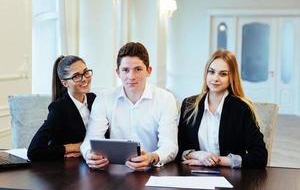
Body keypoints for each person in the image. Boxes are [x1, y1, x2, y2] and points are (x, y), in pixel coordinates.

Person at [80, 42, 178, 171]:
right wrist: (89, 155)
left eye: (138, 69)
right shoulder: (104, 98)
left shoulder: (166, 99)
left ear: (149, 71)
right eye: (125, 70)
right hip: (113, 173)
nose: (131, 77)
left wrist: (152, 157)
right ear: (118, 72)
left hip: (152, 171)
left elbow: (170, 145)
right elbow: (89, 141)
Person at [177, 50, 268, 168]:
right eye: (211, 72)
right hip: (193, 174)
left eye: (223, 74)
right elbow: (177, 147)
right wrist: (198, 155)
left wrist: (218, 160)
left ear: (232, 77)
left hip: (231, 177)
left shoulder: (242, 109)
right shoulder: (189, 105)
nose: (215, 78)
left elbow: (260, 156)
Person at [27, 55, 96, 161]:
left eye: (86, 72)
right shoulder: (59, 108)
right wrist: (75, 147)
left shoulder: (93, 99)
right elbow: (34, 151)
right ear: (64, 83)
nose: (84, 79)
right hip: (69, 170)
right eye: (76, 76)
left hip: (94, 162)